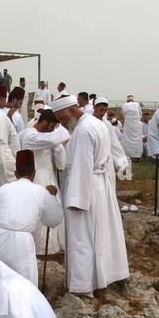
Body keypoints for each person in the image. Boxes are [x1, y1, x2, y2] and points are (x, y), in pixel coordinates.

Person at [51, 94, 128, 296]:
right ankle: (101, 277)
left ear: (69, 111)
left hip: (86, 190)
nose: (61, 124)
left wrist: (76, 200)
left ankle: (83, 285)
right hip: (99, 186)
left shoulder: (83, 131)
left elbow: (82, 167)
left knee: (82, 238)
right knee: (100, 235)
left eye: (61, 119)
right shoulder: (96, 123)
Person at [0, 149, 63, 284]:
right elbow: (54, 219)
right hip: (21, 242)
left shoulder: (4, 188)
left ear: (15, 174)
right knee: (24, 284)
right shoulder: (40, 191)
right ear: (34, 174)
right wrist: (53, 196)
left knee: (1, 279)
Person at [19, 108, 70, 258]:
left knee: (53, 211)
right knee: (39, 212)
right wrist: (58, 140)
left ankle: (53, 247)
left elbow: (61, 163)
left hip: (49, 177)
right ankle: (39, 248)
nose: (52, 131)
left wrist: (58, 146)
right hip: (35, 177)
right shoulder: (29, 135)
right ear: (45, 122)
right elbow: (51, 140)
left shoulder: (47, 138)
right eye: (51, 127)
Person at [119, 95, 143, 162]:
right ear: (133, 100)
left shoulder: (124, 105)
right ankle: (137, 156)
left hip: (128, 124)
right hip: (137, 124)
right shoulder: (137, 104)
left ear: (127, 100)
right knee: (137, 140)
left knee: (127, 139)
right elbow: (140, 114)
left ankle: (128, 155)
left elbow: (123, 114)